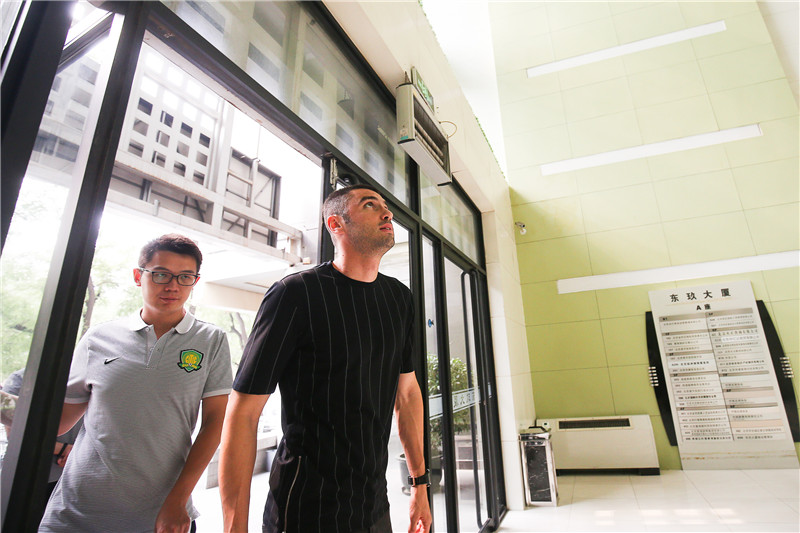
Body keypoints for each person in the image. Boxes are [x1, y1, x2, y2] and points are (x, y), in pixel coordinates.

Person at [219, 184, 432, 533]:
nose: (387, 213)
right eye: (370, 205)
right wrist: (234, 528)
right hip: (306, 507)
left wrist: (419, 483)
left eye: (385, 205)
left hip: (374, 505)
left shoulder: (399, 299)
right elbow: (243, 412)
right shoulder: (294, 294)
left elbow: (407, 394)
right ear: (336, 224)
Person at [39, 234, 233, 533]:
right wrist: (6, 405)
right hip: (75, 512)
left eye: (185, 277)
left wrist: (178, 500)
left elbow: (215, 424)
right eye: (161, 274)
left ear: (194, 281)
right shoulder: (98, 338)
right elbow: (59, 420)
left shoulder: (211, 340)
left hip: (159, 516)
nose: (173, 286)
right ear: (137, 276)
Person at [1, 369, 82, 498]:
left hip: (71, 477)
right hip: (28, 475)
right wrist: (65, 449)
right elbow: (14, 434)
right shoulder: (20, 379)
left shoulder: (82, 380)